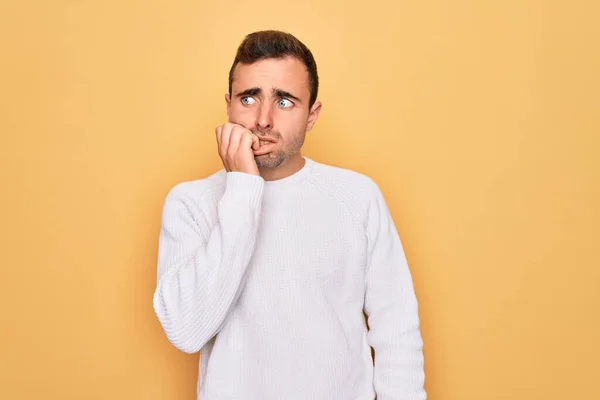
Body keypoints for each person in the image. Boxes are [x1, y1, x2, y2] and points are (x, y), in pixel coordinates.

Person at [153, 30, 427, 400]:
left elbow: (397, 332)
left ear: (311, 115)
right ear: (229, 105)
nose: (263, 119)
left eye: (284, 101)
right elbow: (186, 330)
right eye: (248, 98)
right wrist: (243, 189)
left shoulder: (358, 197)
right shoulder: (191, 203)